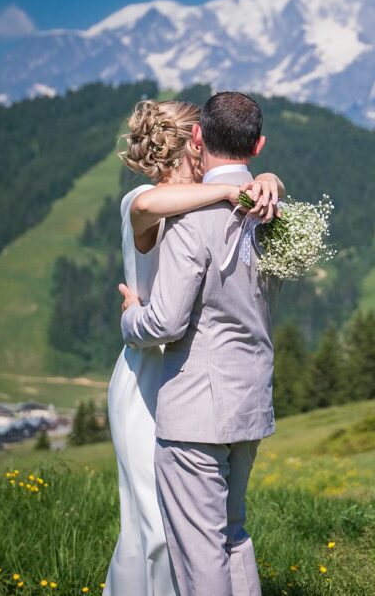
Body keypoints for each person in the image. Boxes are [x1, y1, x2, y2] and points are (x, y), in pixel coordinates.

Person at [106, 98, 282, 595]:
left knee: (195, 528)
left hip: (189, 375)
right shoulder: (149, 199)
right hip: (149, 372)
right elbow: (147, 208)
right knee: (157, 525)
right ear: (194, 144)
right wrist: (233, 187)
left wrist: (268, 181)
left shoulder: (209, 205)